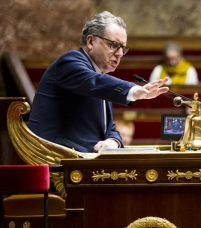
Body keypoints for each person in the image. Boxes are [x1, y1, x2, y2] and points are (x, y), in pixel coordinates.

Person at [27, 11, 169, 153]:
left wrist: (113, 142)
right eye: (114, 45)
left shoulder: (99, 77)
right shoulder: (70, 63)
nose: (120, 53)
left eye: (123, 48)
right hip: (57, 160)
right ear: (90, 41)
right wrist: (134, 90)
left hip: (84, 161)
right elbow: (94, 82)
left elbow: (109, 128)